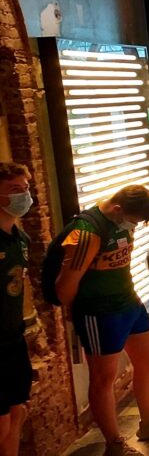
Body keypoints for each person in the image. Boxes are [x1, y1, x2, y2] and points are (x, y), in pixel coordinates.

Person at [55, 185, 149, 456]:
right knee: (104, 377)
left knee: (146, 358)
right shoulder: (85, 234)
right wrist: (82, 314)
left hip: (129, 302)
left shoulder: (122, 220)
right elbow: (65, 287)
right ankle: (114, 444)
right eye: (134, 220)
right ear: (118, 210)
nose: (134, 226)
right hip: (100, 313)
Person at [0, 163, 33, 456]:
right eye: (14, 190)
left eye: (25, 189)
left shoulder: (21, 238)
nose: (24, 195)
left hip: (14, 338)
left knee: (17, 412)